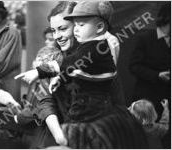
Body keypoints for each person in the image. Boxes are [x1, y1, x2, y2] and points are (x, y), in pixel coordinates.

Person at [16, 1, 148, 148]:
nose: (57, 36)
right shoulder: (53, 55)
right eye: (53, 30)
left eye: (63, 28)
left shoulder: (97, 51)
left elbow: (112, 97)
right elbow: (45, 97)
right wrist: (59, 134)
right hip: (60, 129)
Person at [129, 3, 170, 148]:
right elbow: (133, 66)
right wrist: (157, 75)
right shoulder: (145, 38)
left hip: (168, 101)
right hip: (147, 102)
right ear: (167, 18)